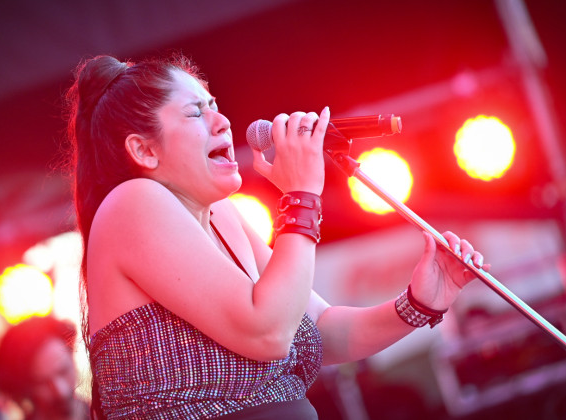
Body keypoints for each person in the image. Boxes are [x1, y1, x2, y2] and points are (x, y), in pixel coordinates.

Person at [64, 53, 490, 419]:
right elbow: (267, 333)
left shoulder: (224, 217)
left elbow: (319, 329)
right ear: (144, 150)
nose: (222, 121)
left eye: (215, 104)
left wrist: (419, 303)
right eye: (196, 112)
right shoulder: (130, 204)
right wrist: (301, 196)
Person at [0, 316, 90, 420]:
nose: (61, 391)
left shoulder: (104, 414)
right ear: (24, 389)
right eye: (42, 383)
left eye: (63, 371)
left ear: (72, 357)